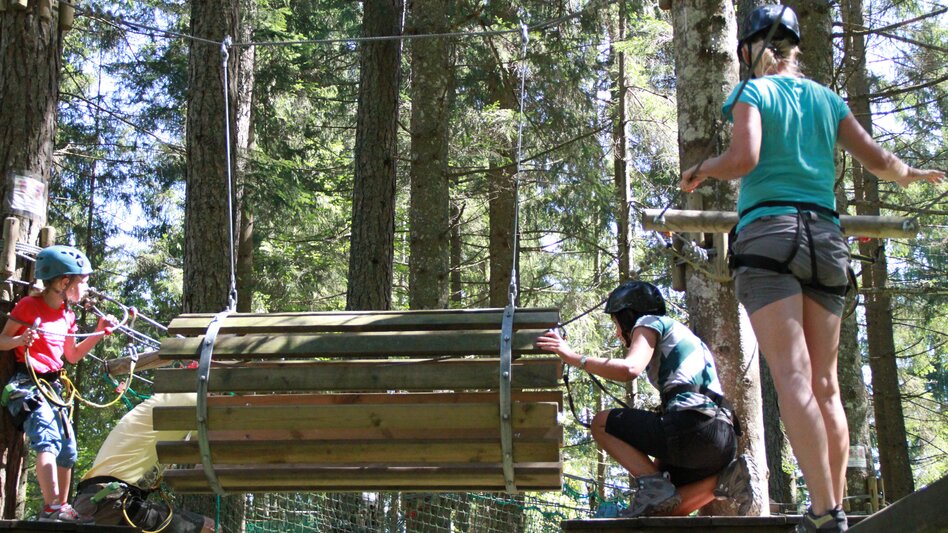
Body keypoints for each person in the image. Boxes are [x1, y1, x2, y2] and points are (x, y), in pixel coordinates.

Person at [679, 5, 945, 532]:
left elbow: (745, 158)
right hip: (827, 242)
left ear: (752, 48)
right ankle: (833, 506)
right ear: (796, 48)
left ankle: (826, 513)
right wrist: (912, 174)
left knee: (794, 377)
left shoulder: (752, 92)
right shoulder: (826, 99)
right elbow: (878, 160)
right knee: (825, 384)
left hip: (769, 237)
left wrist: (702, 168)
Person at [536, 281, 758, 517]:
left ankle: (656, 486)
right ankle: (731, 478)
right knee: (662, 510)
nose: (618, 333)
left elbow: (629, 368)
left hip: (694, 428)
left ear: (629, 316)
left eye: (617, 324)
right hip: (721, 439)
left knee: (601, 423)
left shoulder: (648, 321)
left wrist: (573, 357)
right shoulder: (684, 336)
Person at [0, 245, 115, 522]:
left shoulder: (67, 314)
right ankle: (53, 507)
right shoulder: (29, 306)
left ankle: (61, 509)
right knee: (47, 439)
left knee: (68, 449)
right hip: (28, 384)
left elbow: (72, 355)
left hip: (53, 388)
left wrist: (99, 332)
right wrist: (20, 340)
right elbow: (2, 340)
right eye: (82, 282)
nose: (85, 289)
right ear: (65, 282)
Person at [72, 392, 215, 533]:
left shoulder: (170, 403)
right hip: (114, 502)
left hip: (97, 503)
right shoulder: (191, 399)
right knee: (209, 528)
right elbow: (226, 432)